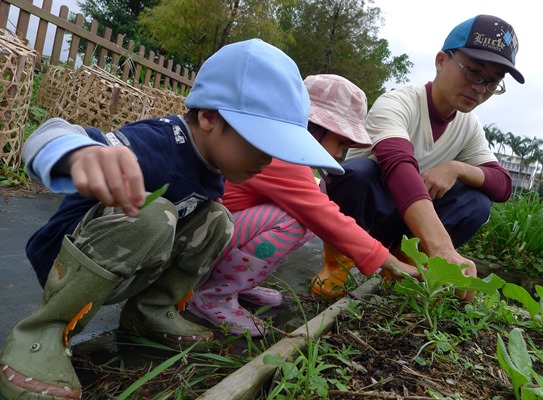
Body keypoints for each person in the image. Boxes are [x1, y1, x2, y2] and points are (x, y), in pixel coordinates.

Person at [0, 39, 344, 400]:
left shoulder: (214, 165)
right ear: (210, 116)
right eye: (259, 143)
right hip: (68, 260)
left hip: (129, 264)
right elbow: (51, 131)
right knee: (157, 214)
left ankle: (150, 310)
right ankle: (43, 333)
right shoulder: (160, 143)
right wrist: (80, 154)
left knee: (217, 219)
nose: (266, 160)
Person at [187, 74, 421, 337]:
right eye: (341, 142)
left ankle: (234, 283)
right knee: (296, 221)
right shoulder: (281, 158)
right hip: (198, 245)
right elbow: (324, 216)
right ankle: (213, 295)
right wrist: (388, 261)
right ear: (312, 126)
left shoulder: (277, 150)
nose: (339, 154)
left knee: (300, 215)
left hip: (206, 235)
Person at [311, 15, 523, 303]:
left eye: (492, 82)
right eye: (473, 71)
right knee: (358, 172)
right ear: (440, 61)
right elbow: (397, 164)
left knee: (477, 201)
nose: (479, 88)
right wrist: (442, 248)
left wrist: (457, 168)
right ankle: (338, 267)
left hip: (407, 228)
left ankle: (406, 265)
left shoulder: (468, 125)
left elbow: (503, 185)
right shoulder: (398, 102)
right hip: (368, 219)